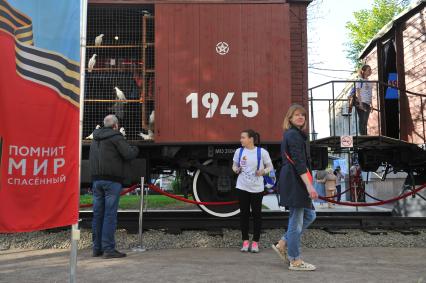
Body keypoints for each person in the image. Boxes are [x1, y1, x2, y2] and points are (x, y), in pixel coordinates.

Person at [272, 104, 318, 271]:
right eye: (297, 115)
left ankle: (283, 243)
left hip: (293, 179)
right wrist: (309, 187)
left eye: (303, 115)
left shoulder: (295, 134)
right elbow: (299, 163)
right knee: (296, 222)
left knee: (310, 215)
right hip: (295, 181)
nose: (301, 117)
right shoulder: (293, 135)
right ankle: (295, 260)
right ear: (290, 118)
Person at [89, 114, 139, 258]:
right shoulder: (116, 137)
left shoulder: (95, 138)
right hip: (111, 181)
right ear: (116, 125)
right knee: (110, 215)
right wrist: (135, 148)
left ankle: (96, 248)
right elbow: (129, 154)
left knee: (98, 215)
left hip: (96, 181)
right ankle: (109, 249)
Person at [232, 129, 274, 253]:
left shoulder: (262, 152)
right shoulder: (239, 151)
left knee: (257, 215)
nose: (241, 140)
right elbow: (234, 165)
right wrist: (236, 169)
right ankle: (245, 241)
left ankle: (255, 242)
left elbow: (270, 166)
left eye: (243, 137)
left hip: (257, 189)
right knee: (244, 215)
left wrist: (262, 172)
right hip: (242, 187)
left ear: (251, 139)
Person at [355, 64, 373, 135]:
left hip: (367, 103)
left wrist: (371, 104)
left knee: (365, 121)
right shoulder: (360, 80)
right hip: (362, 102)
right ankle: (362, 137)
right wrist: (360, 104)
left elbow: (370, 93)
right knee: (362, 120)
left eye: (370, 70)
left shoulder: (369, 81)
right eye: (369, 70)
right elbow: (358, 92)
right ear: (364, 71)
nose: (370, 71)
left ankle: (364, 136)